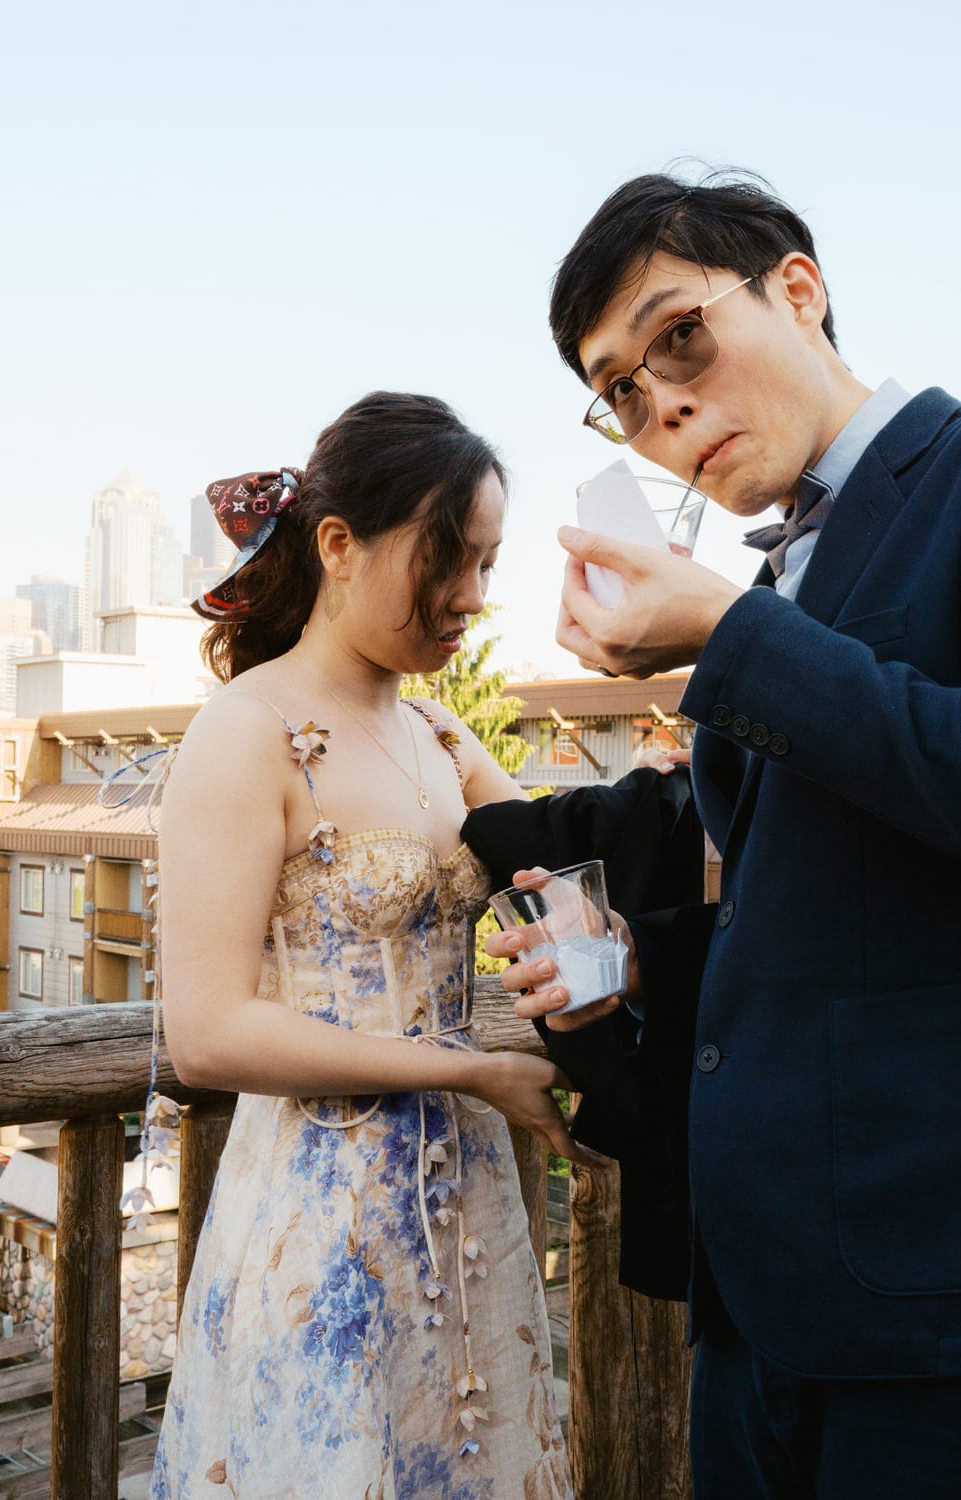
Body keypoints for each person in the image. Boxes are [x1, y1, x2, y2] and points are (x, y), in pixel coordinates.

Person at [490, 172, 961, 1498]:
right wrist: (650, 952)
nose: (660, 405)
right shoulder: (776, 578)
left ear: (797, 288)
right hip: (770, 1299)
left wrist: (729, 638)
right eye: (619, 390)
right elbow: (841, 910)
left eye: (680, 337)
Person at [149, 392, 578, 1499]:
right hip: (319, 1218)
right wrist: (475, 1070)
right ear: (338, 545)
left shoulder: (440, 732)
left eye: (486, 565)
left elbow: (556, 874)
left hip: (469, 1214)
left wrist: (599, 918)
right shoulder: (247, 731)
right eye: (447, 561)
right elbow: (206, 1034)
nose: (471, 600)